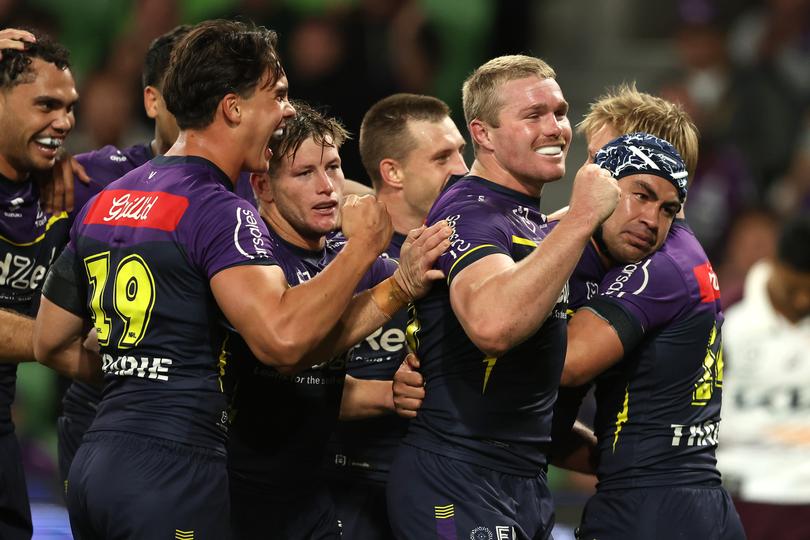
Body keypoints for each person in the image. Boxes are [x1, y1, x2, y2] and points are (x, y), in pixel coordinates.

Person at [33, 20, 446, 539]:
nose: (288, 111)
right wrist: (363, 247)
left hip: (97, 460)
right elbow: (284, 342)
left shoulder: (107, 200)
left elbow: (49, 341)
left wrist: (140, 375)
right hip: (176, 468)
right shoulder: (218, 209)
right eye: (278, 96)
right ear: (233, 107)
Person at [385, 54, 619, 539]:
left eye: (559, 111)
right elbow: (492, 326)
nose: (555, 128)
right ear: (483, 134)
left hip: (518, 478)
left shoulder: (522, 216)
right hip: (458, 477)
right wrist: (581, 218)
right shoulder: (471, 212)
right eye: (533, 115)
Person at [227, 100, 448, 539]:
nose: (328, 187)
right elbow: (287, 360)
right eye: (304, 173)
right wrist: (375, 259)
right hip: (237, 493)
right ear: (263, 186)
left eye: (333, 167)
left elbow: (315, 384)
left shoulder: (343, 258)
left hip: (311, 496)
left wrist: (391, 393)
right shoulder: (245, 259)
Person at [556, 93, 745, 538]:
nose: (588, 175)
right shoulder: (664, 254)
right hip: (678, 500)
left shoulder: (657, 266)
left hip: (651, 510)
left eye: (603, 161)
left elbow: (568, 361)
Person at [324, 93, 467, 539]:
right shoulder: (338, 255)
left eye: (461, 151)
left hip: (450, 486)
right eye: (443, 156)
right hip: (350, 488)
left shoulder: (478, 252)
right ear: (392, 172)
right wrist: (386, 393)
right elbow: (290, 372)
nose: (462, 168)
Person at [55, 23, 192, 488]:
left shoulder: (251, 183)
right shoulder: (84, 177)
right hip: (100, 408)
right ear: (152, 100)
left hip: (197, 421)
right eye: (185, 90)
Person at [0, 27, 78, 540]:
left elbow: (167, 153)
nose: (65, 121)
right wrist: (70, 350)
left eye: (70, 108)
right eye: (46, 104)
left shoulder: (69, 186)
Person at [716, 215, 810, 540]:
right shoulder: (726, 314)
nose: (803, 301)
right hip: (740, 494)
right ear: (774, 263)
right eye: (793, 288)